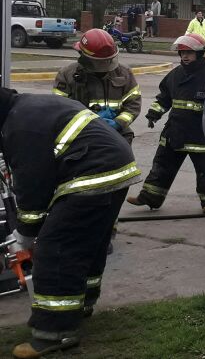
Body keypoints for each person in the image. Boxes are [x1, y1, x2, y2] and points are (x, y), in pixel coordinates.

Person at [0, 87, 141, 358]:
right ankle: (81, 304)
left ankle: (54, 332)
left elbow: (33, 185)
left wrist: (25, 233)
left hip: (92, 173)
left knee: (56, 249)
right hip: (116, 167)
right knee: (89, 244)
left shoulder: (20, 127)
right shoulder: (27, 107)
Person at [126, 33, 205, 214]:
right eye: (182, 52)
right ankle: (150, 197)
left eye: (189, 52)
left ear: (199, 53)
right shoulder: (175, 74)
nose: (185, 56)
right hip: (175, 131)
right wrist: (154, 114)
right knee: (162, 165)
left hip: (200, 134)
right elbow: (164, 98)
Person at [52, 29, 141, 146]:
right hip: (80, 136)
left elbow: (133, 104)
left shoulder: (124, 73)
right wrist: (88, 123)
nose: (105, 65)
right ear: (83, 56)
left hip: (117, 135)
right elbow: (59, 109)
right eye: (99, 62)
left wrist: (118, 123)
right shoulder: (67, 74)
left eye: (108, 60)